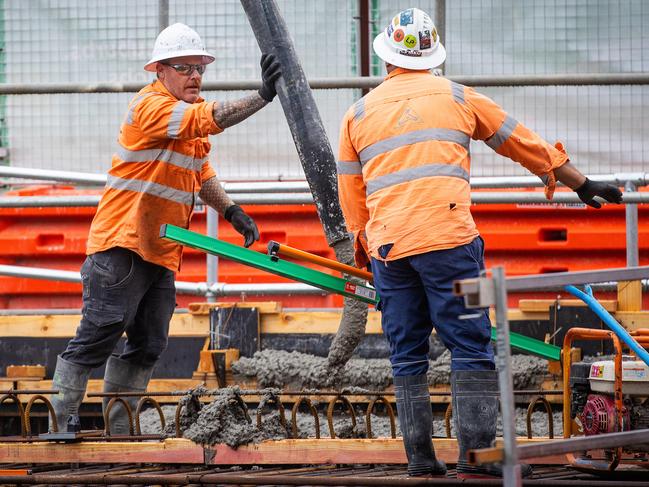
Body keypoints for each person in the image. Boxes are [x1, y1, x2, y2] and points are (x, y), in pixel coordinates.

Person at [336, 8, 623, 479]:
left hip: (390, 249)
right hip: (451, 243)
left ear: (385, 56)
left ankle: (420, 461)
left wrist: (369, 246)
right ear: (432, 56)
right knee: (471, 345)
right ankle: (478, 458)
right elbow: (518, 140)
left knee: (406, 350)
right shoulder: (457, 96)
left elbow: (351, 192)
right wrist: (579, 181)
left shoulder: (358, 113)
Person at [49, 23, 281, 435]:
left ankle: (120, 432)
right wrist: (263, 96)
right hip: (122, 245)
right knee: (99, 334)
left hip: (157, 250)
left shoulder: (183, 117)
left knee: (149, 343)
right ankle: (56, 422)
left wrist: (231, 211)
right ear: (159, 71)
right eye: (184, 68)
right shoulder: (152, 107)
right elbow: (209, 119)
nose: (195, 76)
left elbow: (200, 170)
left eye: (199, 69)